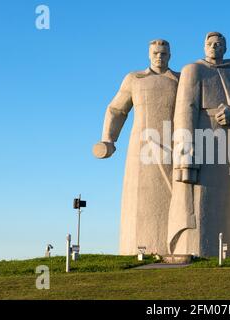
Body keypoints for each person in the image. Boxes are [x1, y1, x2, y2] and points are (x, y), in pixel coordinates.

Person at [168, 32, 230, 257]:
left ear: (225, 48)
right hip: (201, 141)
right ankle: (197, 250)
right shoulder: (193, 70)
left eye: (218, 44)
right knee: (200, 200)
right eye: (209, 44)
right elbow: (184, 110)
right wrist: (185, 151)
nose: (213, 47)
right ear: (203, 46)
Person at [93, 39, 179, 255]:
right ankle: (138, 248)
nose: (160, 56)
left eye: (164, 53)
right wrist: (108, 139)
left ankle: (175, 246)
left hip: (173, 146)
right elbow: (116, 110)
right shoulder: (135, 79)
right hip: (140, 149)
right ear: (149, 55)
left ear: (170, 55)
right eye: (156, 53)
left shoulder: (180, 80)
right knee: (140, 202)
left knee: (174, 198)